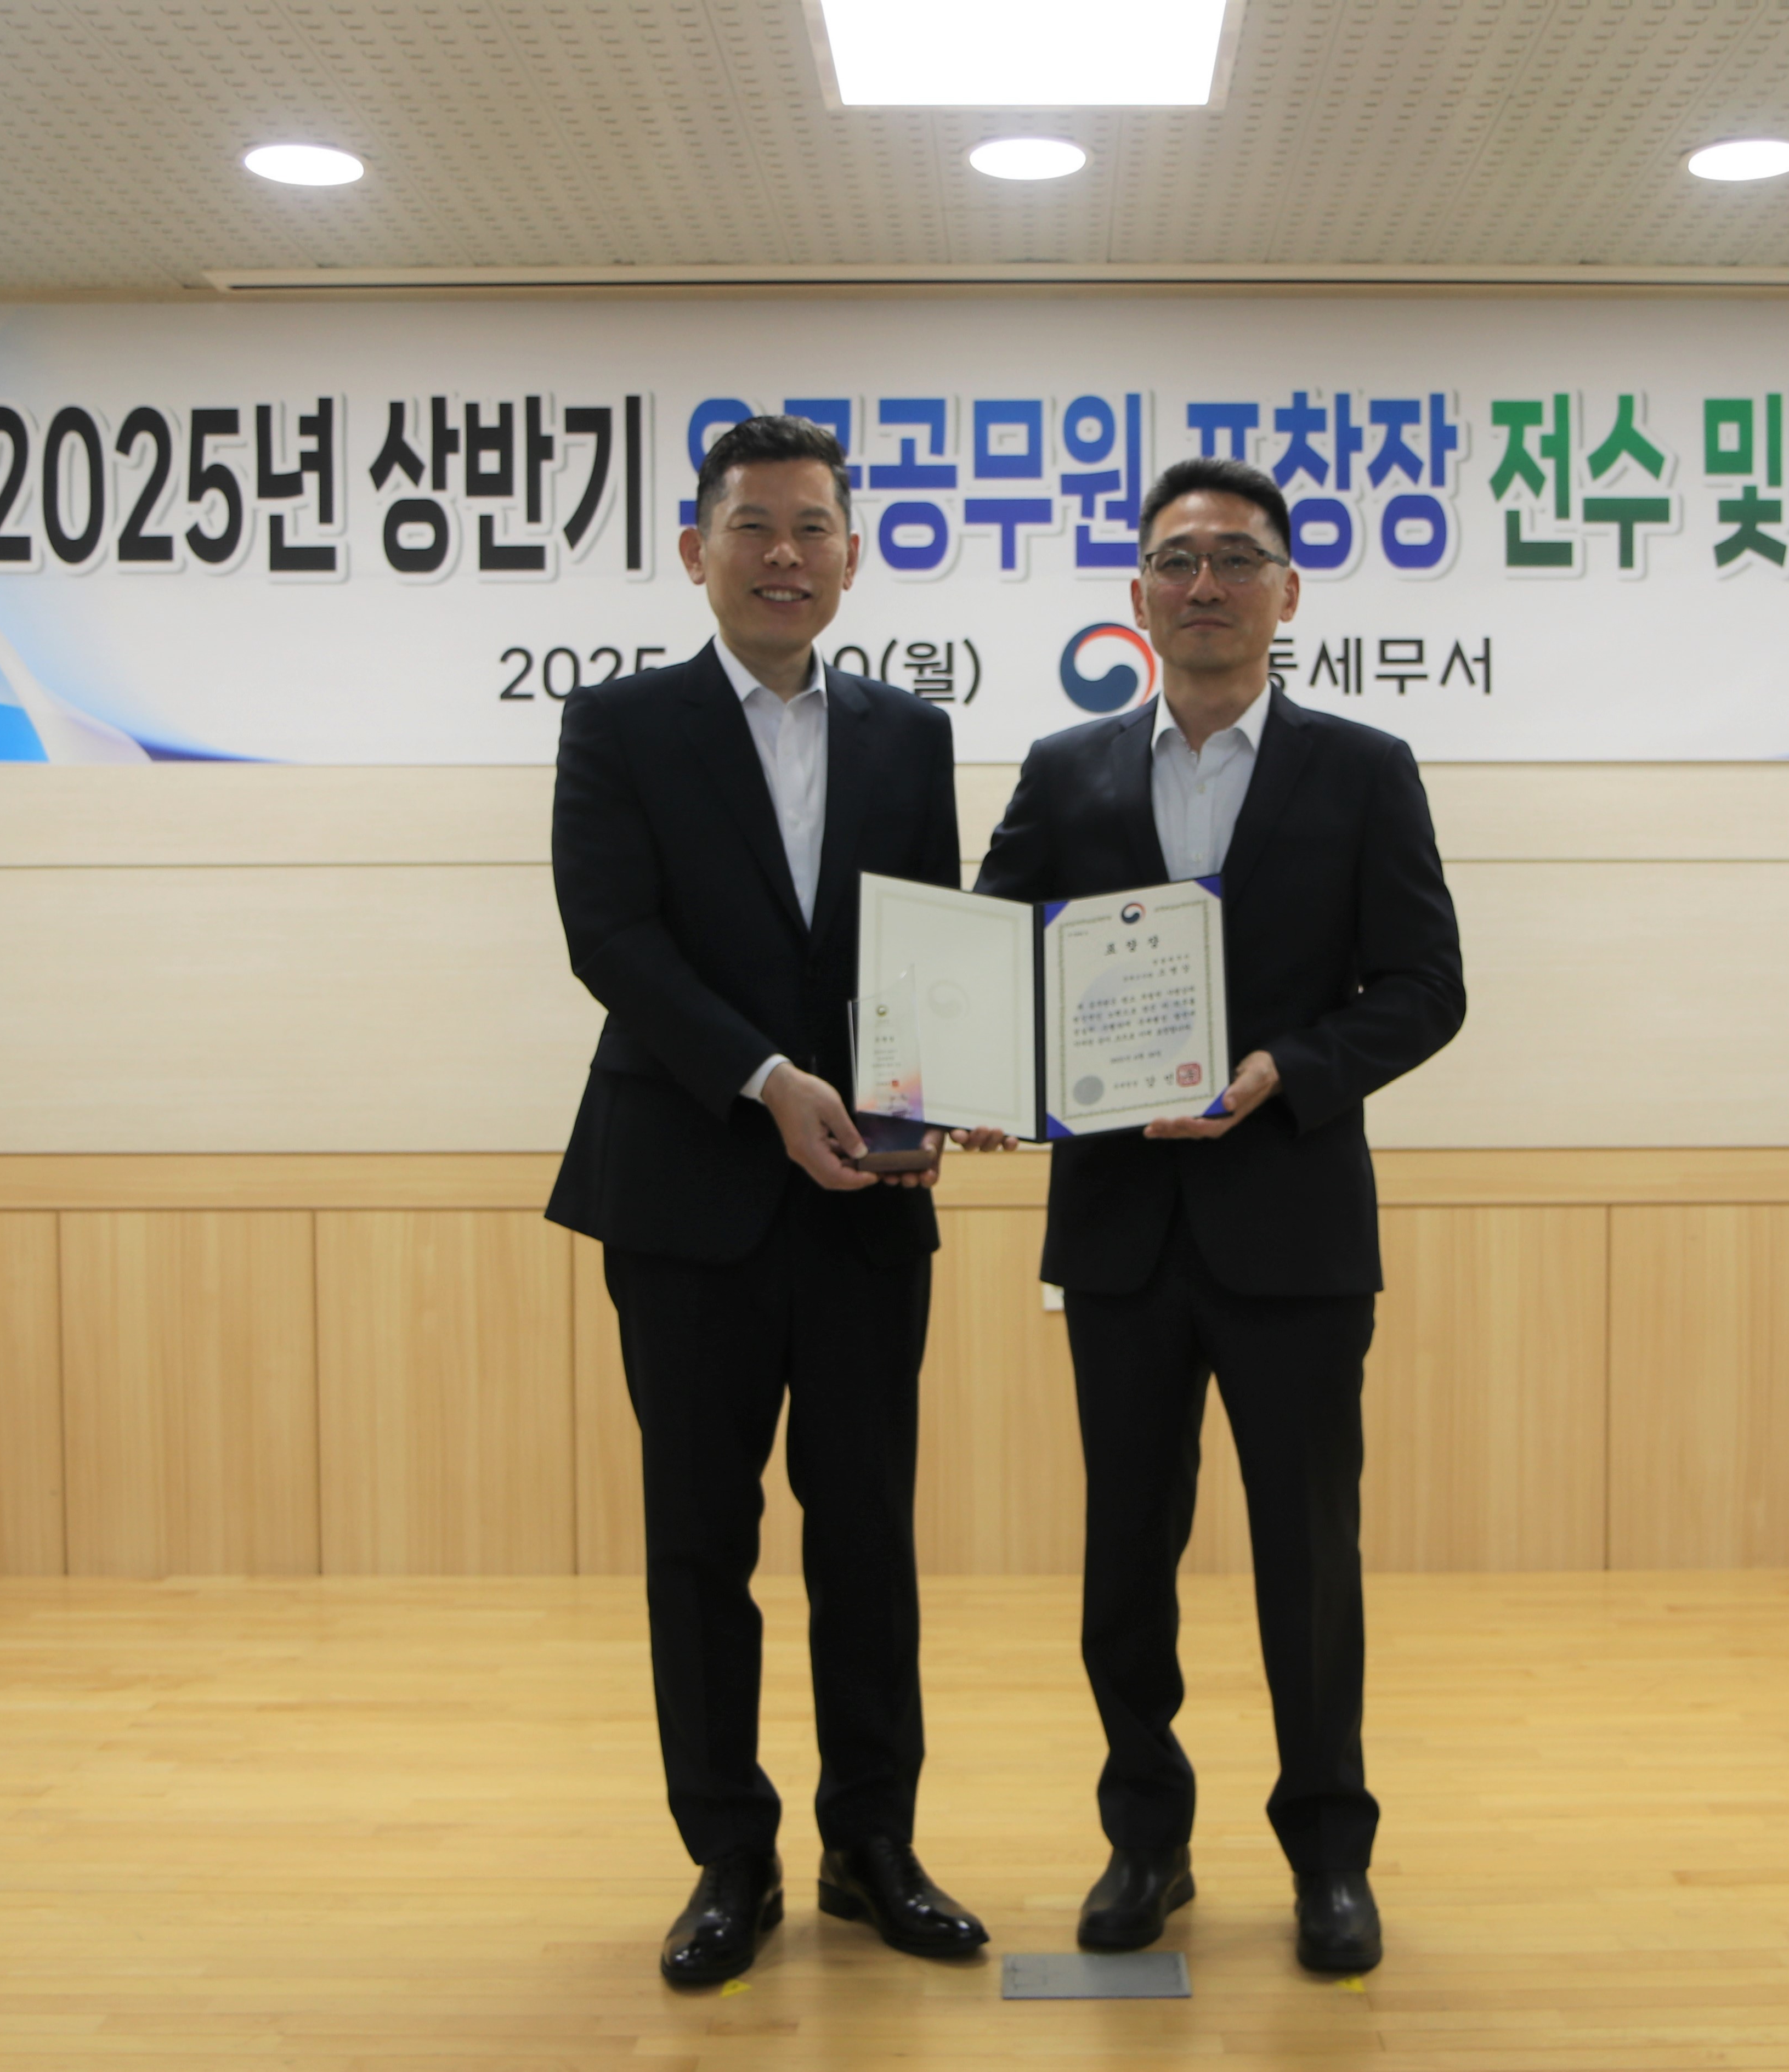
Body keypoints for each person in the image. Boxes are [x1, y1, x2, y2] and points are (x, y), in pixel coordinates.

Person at [970, 454, 1464, 1974]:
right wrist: (957, 1074)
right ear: (1136, 595)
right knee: (1125, 1558)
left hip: (1294, 1231)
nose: (1205, 585)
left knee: (1308, 1557)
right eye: (1178, 560)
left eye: (1237, 559)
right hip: (1118, 1232)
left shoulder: (1364, 768)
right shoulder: (1065, 770)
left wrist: (1282, 1073)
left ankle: (1328, 1853)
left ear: (1286, 593)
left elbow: (1424, 989)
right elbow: (989, 963)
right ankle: (1146, 1840)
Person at [547, 415, 988, 1986]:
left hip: (865, 1196)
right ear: (697, 549)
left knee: (867, 1533)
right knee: (699, 1539)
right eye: (754, 526)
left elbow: (925, 947)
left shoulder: (908, 734)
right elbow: (610, 937)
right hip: (686, 1192)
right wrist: (765, 1078)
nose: (785, 554)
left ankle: (874, 1845)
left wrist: (949, 1083)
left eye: (813, 528)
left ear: (852, 557)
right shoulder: (619, 725)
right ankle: (729, 1857)